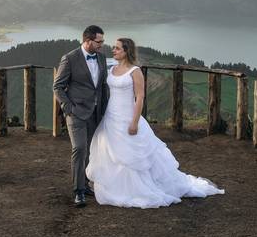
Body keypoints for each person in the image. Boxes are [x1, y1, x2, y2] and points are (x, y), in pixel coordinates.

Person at [86, 37, 224, 208]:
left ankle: (138, 189)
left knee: (133, 156)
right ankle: (117, 187)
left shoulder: (135, 71)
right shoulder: (113, 69)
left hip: (128, 116)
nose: (113, 50)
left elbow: (140, 97)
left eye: (117, 48)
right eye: (114, 48)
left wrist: (134, 122)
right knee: (110, 151)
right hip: (111, 116)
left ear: (126, 51)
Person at [53, 25, 108, 207]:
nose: (102, 45)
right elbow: (57, 86)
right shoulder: (69, 59)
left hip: (95, 112)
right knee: (79, 148)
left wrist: (104, 108)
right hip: (75, 113)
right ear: (88, 41)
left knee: (89, 150)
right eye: (99, 42)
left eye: (102, 41)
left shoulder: (101, 57)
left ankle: (85, 185)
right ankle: (78, 192)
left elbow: (101, 86)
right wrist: (68, 107)